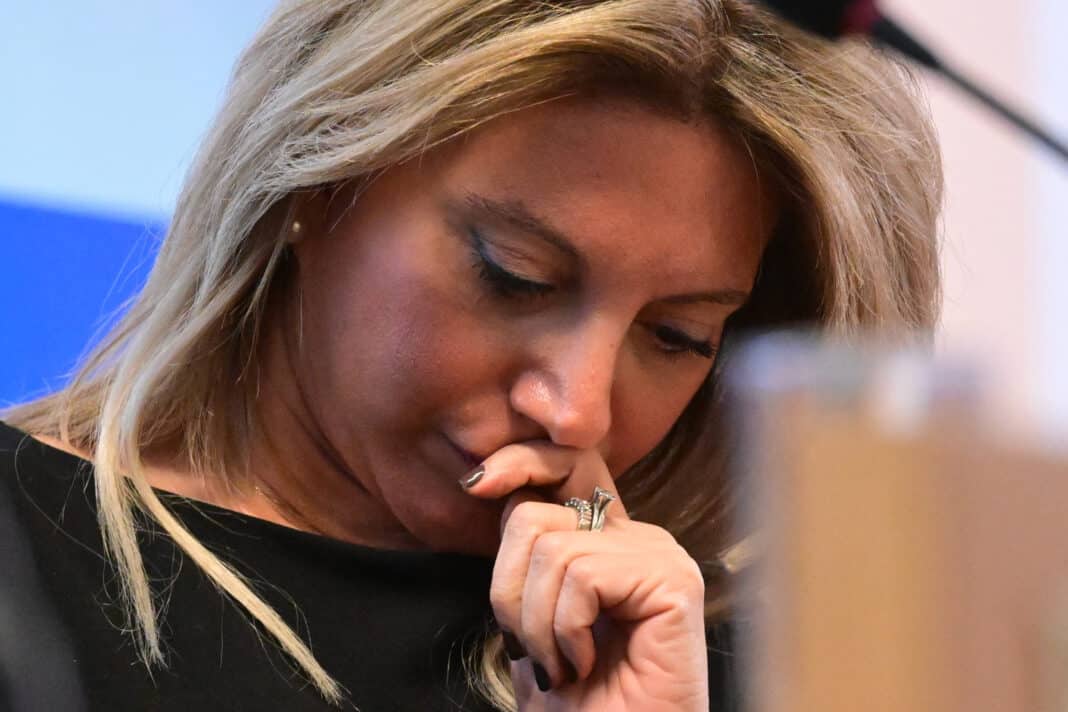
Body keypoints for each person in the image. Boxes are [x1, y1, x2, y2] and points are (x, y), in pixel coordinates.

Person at [0, 0, 942, 709]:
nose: (577, 409)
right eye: (514, 276)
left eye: (677, 336)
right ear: (318, 179)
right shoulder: (22, 565)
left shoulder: (702, 659)